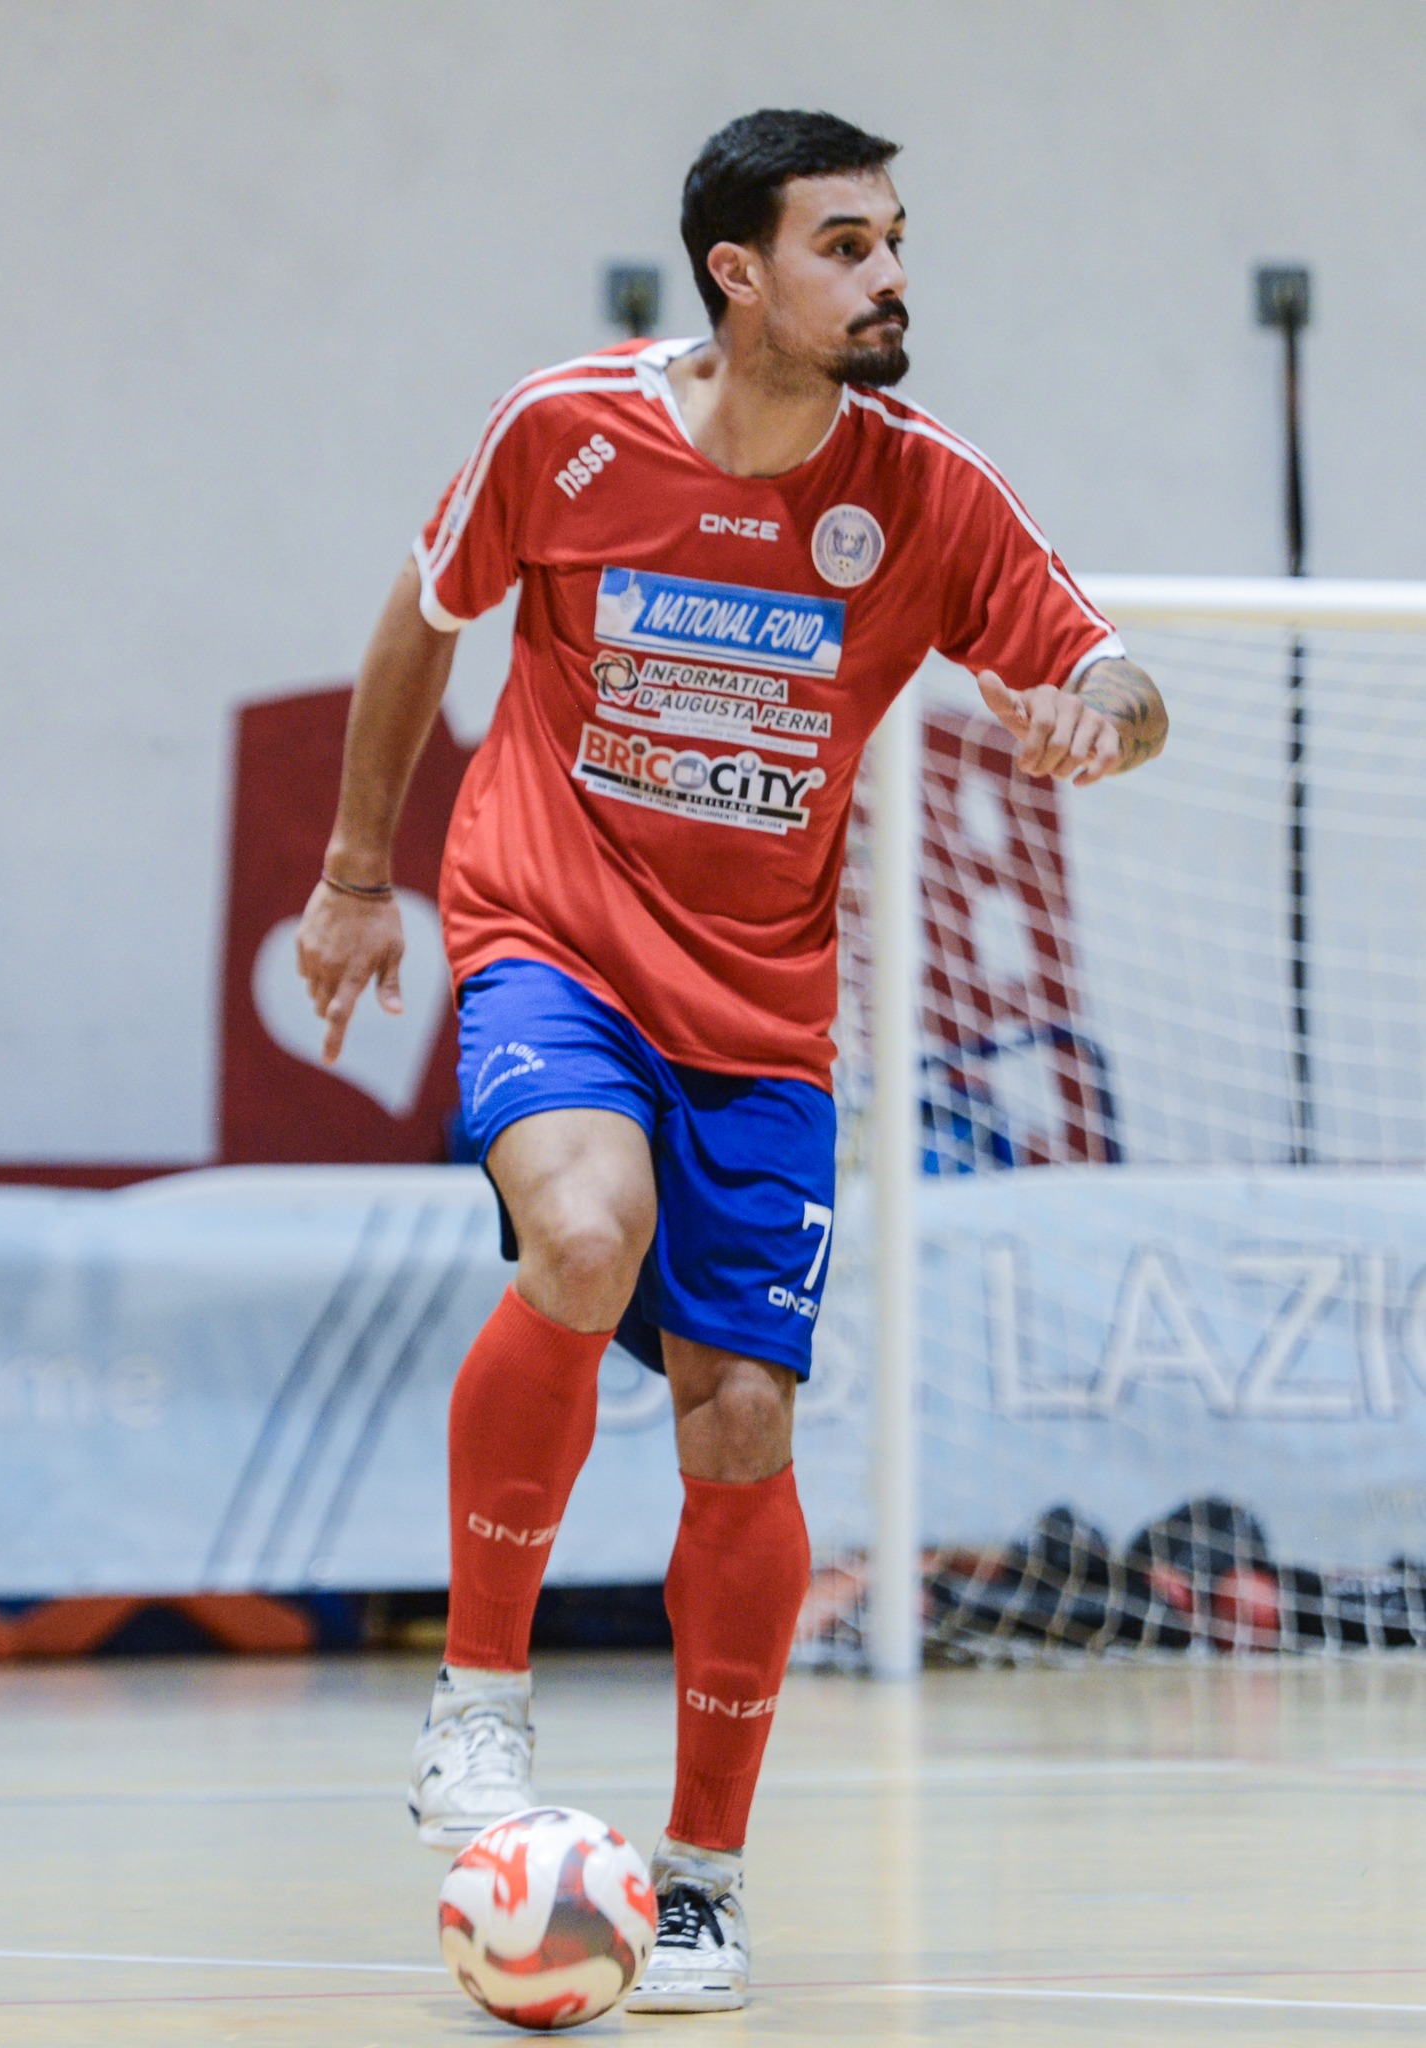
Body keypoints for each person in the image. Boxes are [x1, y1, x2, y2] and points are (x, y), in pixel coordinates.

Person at [296, 106, 1167, 2014]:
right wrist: (359, 878)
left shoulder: (924, 491)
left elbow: (1109, 667)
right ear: (737, 275)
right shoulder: (561, 430)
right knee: (579, 1230)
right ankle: (480, 1695)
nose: (888, 277)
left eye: (895, 240)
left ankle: (698, 1884)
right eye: (845, 246)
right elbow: (421, 626)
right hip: (550, 938)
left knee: (742, 1425)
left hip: (762, 1017)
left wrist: (1101, 717)